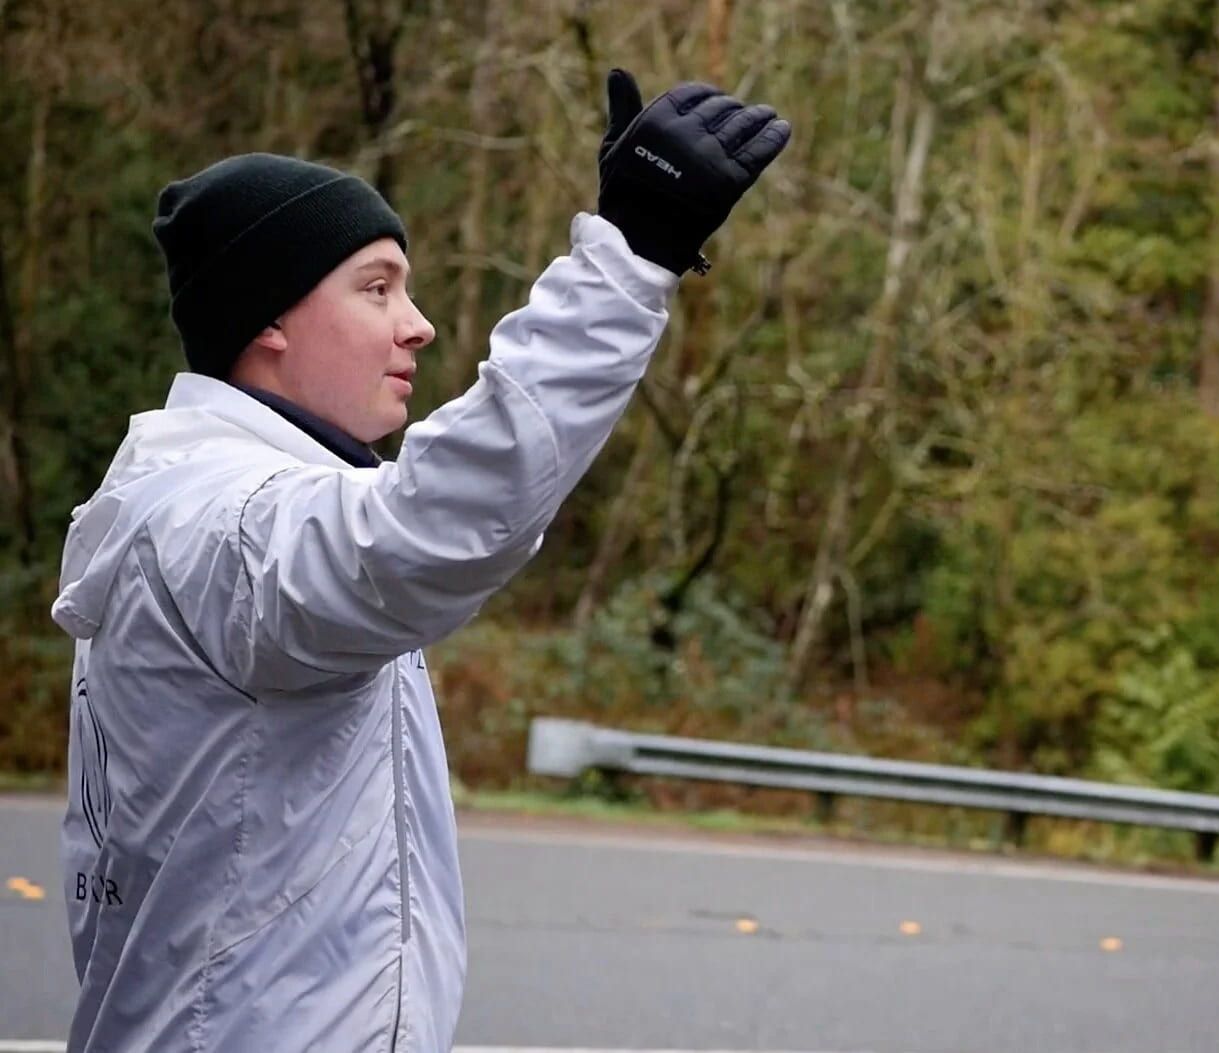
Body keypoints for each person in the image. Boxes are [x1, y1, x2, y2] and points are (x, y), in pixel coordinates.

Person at [50, 69, 789, 1052]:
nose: (418, 323)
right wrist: (626, 263)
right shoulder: (218, 521)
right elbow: (426, 531)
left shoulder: (203, 500)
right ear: (267, 321)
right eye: (376, 287)